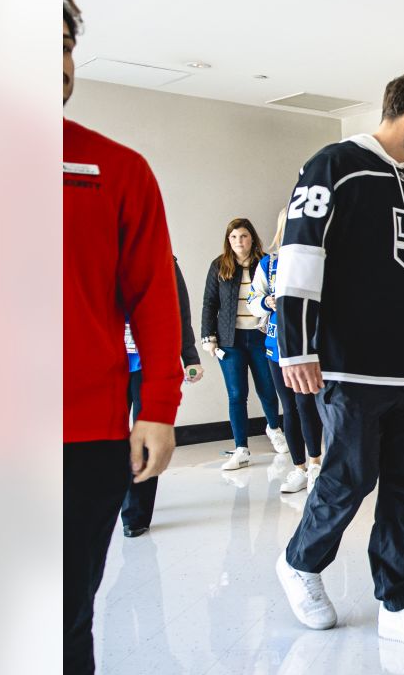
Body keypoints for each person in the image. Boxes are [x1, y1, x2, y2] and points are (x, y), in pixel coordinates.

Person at [273, 72, 404, 652]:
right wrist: (297, 348)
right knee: (348, 479)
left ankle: (396, 602)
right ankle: (301, 563)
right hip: (353, 366)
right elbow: (300, 255)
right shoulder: (334, 164)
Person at [63, 0, 183, 675]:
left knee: (63, 621)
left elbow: (153, 300)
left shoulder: (118, 170)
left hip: (81, 439)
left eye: (65, 44)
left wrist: (160, 405)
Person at [120, 257, 204, 537]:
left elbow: (181, 311)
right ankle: (117, 499)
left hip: (147, 363)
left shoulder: (164, 260)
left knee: (144, 438)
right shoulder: (97, 256)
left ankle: (135, 514)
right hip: (108, 365)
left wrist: (190, 356)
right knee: (110, 438)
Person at [201, 217, 287, 470]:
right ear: (228, 241)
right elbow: (209, 304)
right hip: (230, 340)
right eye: (234, 237)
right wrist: (209, 338)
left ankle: (274, 428)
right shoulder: (219, 265)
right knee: (237, 394)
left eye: (244, 236)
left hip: (260, 337)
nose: (239, 241)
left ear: (252, 238)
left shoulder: (267, 263)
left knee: (268, 389)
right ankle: (241, 448)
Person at [249, 209, 323, 494]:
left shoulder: (317, 260)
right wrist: (267, 302)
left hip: (309, 347)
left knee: (308, 406)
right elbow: (253, 300)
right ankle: (299, 467)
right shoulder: (268, 264)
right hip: (276, 347)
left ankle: (316, 463)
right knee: (289, 407)